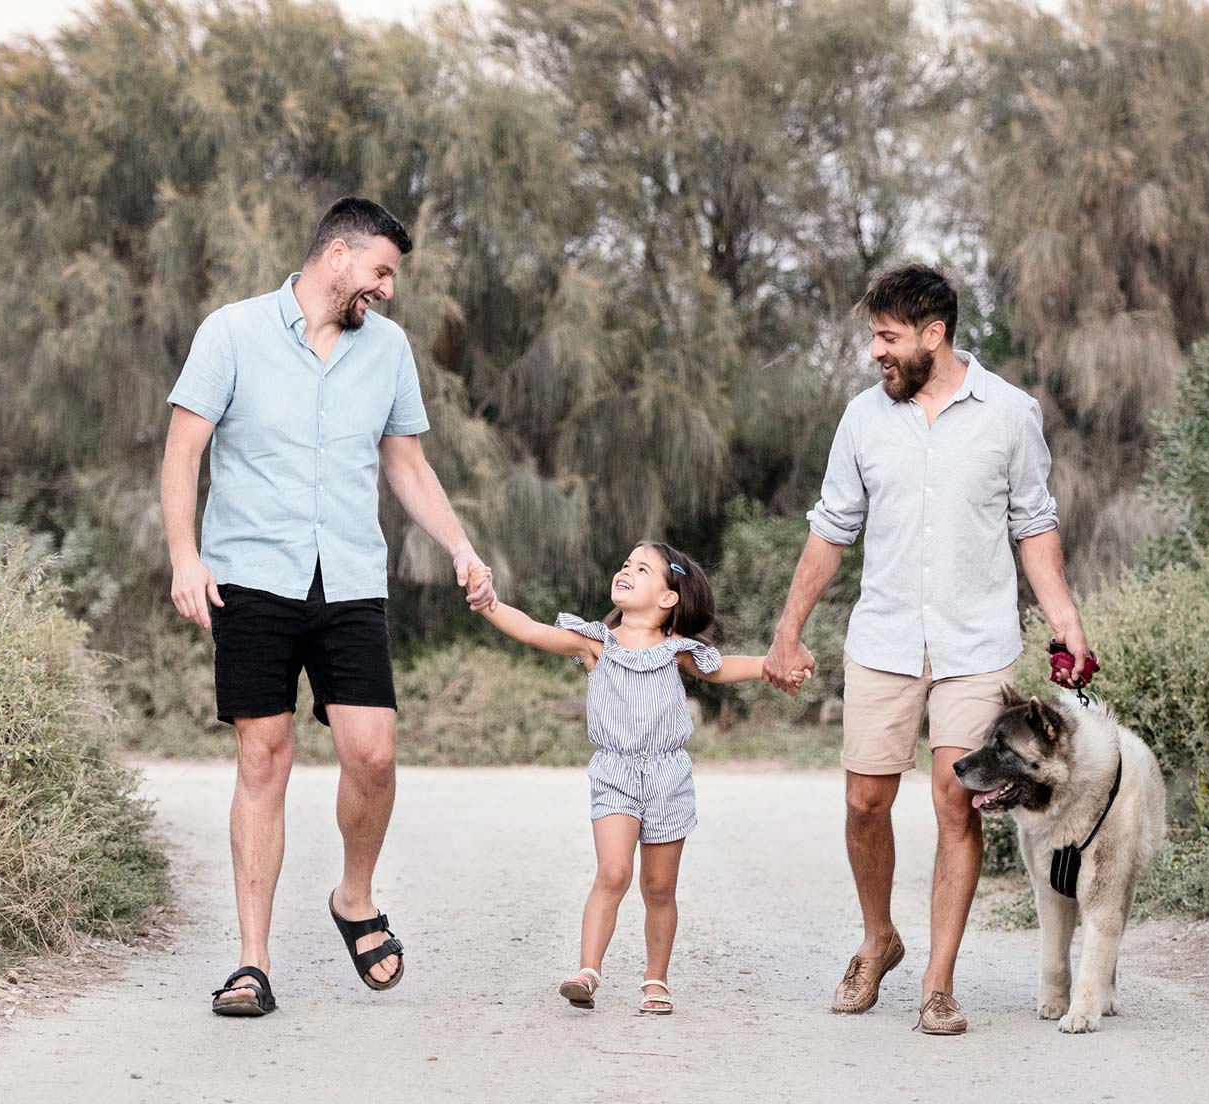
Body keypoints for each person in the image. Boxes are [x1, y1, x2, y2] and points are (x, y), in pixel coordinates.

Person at [159, 196, 496, 1016]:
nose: (387, 289)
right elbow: (182, 454)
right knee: (263, 758)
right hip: (250, 576)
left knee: (372, 754)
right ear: (337, 255)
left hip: (349, 577)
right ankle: (252, 963)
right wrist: (184, 558)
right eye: (381, 270)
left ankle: (354, 896)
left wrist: (460, 546)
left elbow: (406, 465)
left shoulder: (388, 350)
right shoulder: (231, 332)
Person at [761, 263, 1093, 1035]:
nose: (876, 352)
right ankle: (879, 939)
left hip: (976, 644)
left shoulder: (1010, 414)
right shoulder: (862, 418)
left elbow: (1033, 525)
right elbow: (831, 529)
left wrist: (1066, 619)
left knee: (955, 799)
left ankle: (938, 984)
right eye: (874, 338)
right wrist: (787, 630)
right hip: (883, 638)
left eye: (888, 337)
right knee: (864, 803)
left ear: (934, 334)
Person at [471, 543, 808, 1015]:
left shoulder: (677, 651)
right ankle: (587, 971)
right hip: (616, 772)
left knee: (659, 888)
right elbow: (531, 630)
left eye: (642, 568)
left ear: (668, 598)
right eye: (626, 564)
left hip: (668, 777)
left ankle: (656, 979)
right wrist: (489, 603)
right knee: (613, 872)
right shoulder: (595, 643)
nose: (626, 570)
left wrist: (773, 668)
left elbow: (723, 668)